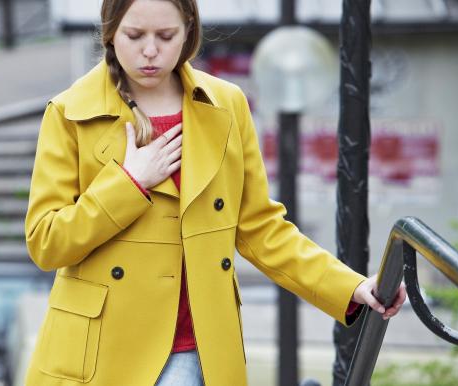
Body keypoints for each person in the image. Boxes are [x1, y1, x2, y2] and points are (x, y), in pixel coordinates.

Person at [22, 1, 407, 385]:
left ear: (189, 30)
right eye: (135, 36)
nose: (151, 50)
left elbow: (261, 228)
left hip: (193, 346)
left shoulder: (226, 105)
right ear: (110, 32)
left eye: (166, 36)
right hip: (100, 354)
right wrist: (129, 183)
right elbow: (46, 242)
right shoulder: (70, 112)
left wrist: (351, 286)